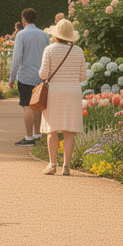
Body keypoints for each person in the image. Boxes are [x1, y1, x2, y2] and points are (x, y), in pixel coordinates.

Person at [38, 19, 87, 175]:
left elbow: (43, 74)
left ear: (56, 34)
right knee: (69, 131)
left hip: (54, 92)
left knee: (52, 130)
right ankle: (66, 166)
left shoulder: (49, 50)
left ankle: (52, 164)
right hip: (72, 92)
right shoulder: (78, 51)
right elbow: (82, 76)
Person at [8, 8, 49, 146]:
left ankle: (29, 137)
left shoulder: (21, 35)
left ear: (23, 19)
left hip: (26, 76)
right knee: (38, 105)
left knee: (27, 106)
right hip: (41, 76)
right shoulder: (44, 35)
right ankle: (38, 134)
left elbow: (17, 58)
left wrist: (12, 77)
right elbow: (48, 55)